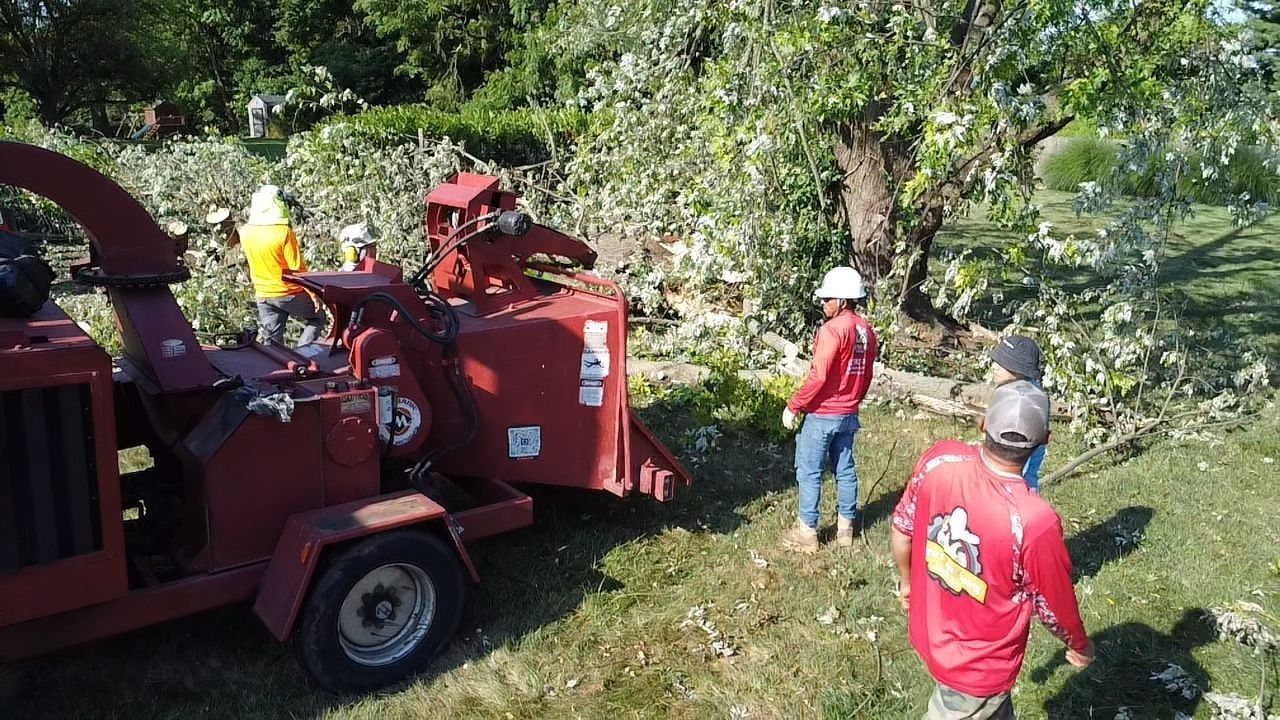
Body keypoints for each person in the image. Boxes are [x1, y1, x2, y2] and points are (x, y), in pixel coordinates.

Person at [891, 380, 1094, 719]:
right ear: (1045, 440)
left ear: (983, 423)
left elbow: (902, 528)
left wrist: (907, 583)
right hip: (976, 668)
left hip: (930, 630)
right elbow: (1052, 605)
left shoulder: (940, 459)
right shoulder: (1034, 521)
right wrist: (1079, 644)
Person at [780, 266, 878, 553]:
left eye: (827, 299)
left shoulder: (832, 330)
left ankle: (807, 533)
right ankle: (846, 529)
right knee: (845, 470)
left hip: (823, 413)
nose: (823, 304)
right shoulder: (866, 331)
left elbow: (819, 375)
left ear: (843, 301)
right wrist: (854, 400)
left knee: (809, 471)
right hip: (848, 414)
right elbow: (867, 374)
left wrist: (794, 405)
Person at [238, 185, 326, 346]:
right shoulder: (284, 232)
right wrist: (314, 295)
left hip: (263, 294)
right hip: (288, 293)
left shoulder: (245, 232)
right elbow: (298, 270)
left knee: (272, 341)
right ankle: (303, 352)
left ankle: (276, 362)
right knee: (318, 318)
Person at [989, 335, 1048, 491]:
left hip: (1015, 483)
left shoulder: (1023, 405)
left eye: (1002, 364)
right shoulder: (1011, 390)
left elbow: (1018, 458)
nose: (994, 367)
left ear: (1019, 370)